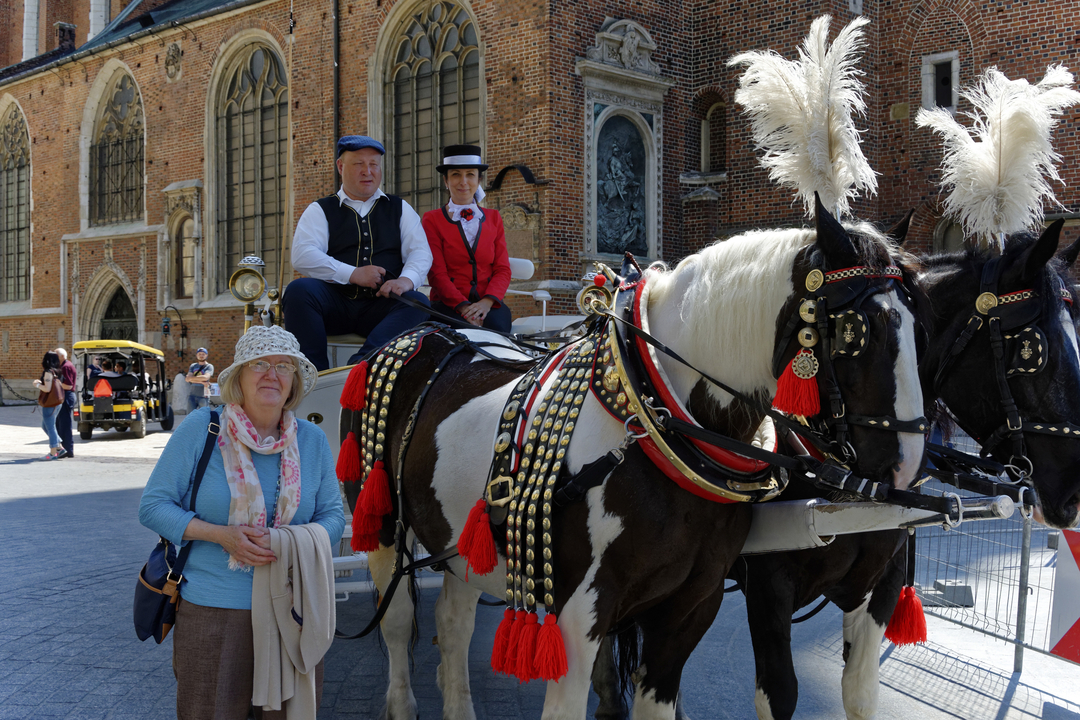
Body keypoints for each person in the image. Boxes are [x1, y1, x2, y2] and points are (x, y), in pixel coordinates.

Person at [139, 325, 344, 719]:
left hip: (293, 612)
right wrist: (221, 536)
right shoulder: (203, 429)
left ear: (294, 381)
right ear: (239, 377)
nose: (272, 374)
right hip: (215, 613)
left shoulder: (312, 440)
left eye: (284, 366)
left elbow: (333, 516)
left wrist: (289, 541)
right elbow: (153, 506)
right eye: (260, 364)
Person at [283, 135, 433, 371]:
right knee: (298, 291)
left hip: (381, 308)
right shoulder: (321, 209)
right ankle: (314, 375)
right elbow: (302, 255)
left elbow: (421, 252)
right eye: (358, 164)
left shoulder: (399, 208)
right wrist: (353, 273)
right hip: (334, 304)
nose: (368, 171)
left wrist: (405, 280)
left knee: (417, 302)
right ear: (341, 167)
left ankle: (358, 369)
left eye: (373, 164)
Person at [422, 145, 513, 332]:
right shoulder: (431, 219)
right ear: (446, 181)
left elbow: (502, 269)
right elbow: (437, 274)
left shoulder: (494, 217)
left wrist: (486, 303)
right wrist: (464, 308)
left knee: (498, 330)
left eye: (470, 174)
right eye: (455, 174)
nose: (463, 181)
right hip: (448, 306)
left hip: (489, 306)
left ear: (478, 180)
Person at [32, 352, 65, 460]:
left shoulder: (48, 372)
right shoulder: (58, 371)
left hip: (50, 403)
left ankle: (52, 453)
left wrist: (37, 384)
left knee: (50, 427)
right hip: (57, 402)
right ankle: (60, 447)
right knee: (45, 425)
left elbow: (47, 388)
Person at [55, 348, 77, 459]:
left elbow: (68, 385)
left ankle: (68, 450)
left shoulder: (66, 367)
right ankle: (63, 450)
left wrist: (55, 382)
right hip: (65, 396)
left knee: (64, 425)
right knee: (59, 424)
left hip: (66, 396)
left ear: (62, 356)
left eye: (56, 356)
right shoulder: (65, 365)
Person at [186, 347, 214, 412]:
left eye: (203, 354)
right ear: (196, 355)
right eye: (199, 354)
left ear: (206, 355)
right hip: (192, 395)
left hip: (203, 396)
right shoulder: (193, 366)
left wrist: (192, 379)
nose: (201, 356)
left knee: (204, 416)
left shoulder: (209, 366)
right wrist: (202, 382)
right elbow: (187, 379)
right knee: (190, 416)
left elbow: (206, 377)